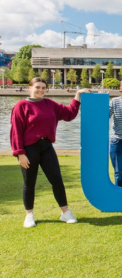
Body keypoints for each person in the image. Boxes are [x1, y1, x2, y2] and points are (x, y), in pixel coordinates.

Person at [10, 77, 90, 228]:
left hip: (46, 147)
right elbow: (16, 131)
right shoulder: (21, 106)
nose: (40, 90)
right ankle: (29, 215)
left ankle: (65, 213)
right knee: (29, 182)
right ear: (30, 88)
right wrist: (20, 153)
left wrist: (77, 95)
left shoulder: (50, 104)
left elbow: (69, 114)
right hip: (28, 149)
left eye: (43, 88)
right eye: (37, 87)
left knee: (56, 179)